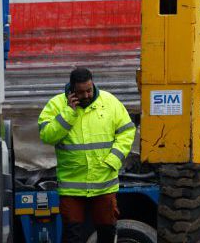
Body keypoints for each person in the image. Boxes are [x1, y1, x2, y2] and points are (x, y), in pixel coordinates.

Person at [38, 67, 135, 242]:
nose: (86, 95)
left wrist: (113, 160)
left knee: (107, 233)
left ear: (93, 84)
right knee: (72, 236)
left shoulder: (110, 102)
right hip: (72, 187)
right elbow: (47, 136)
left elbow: (127, 132)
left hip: (104, 183)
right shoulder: (56, 105)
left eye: (89, 90)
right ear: (72, 90)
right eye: (81, 92)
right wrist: (68, 113)